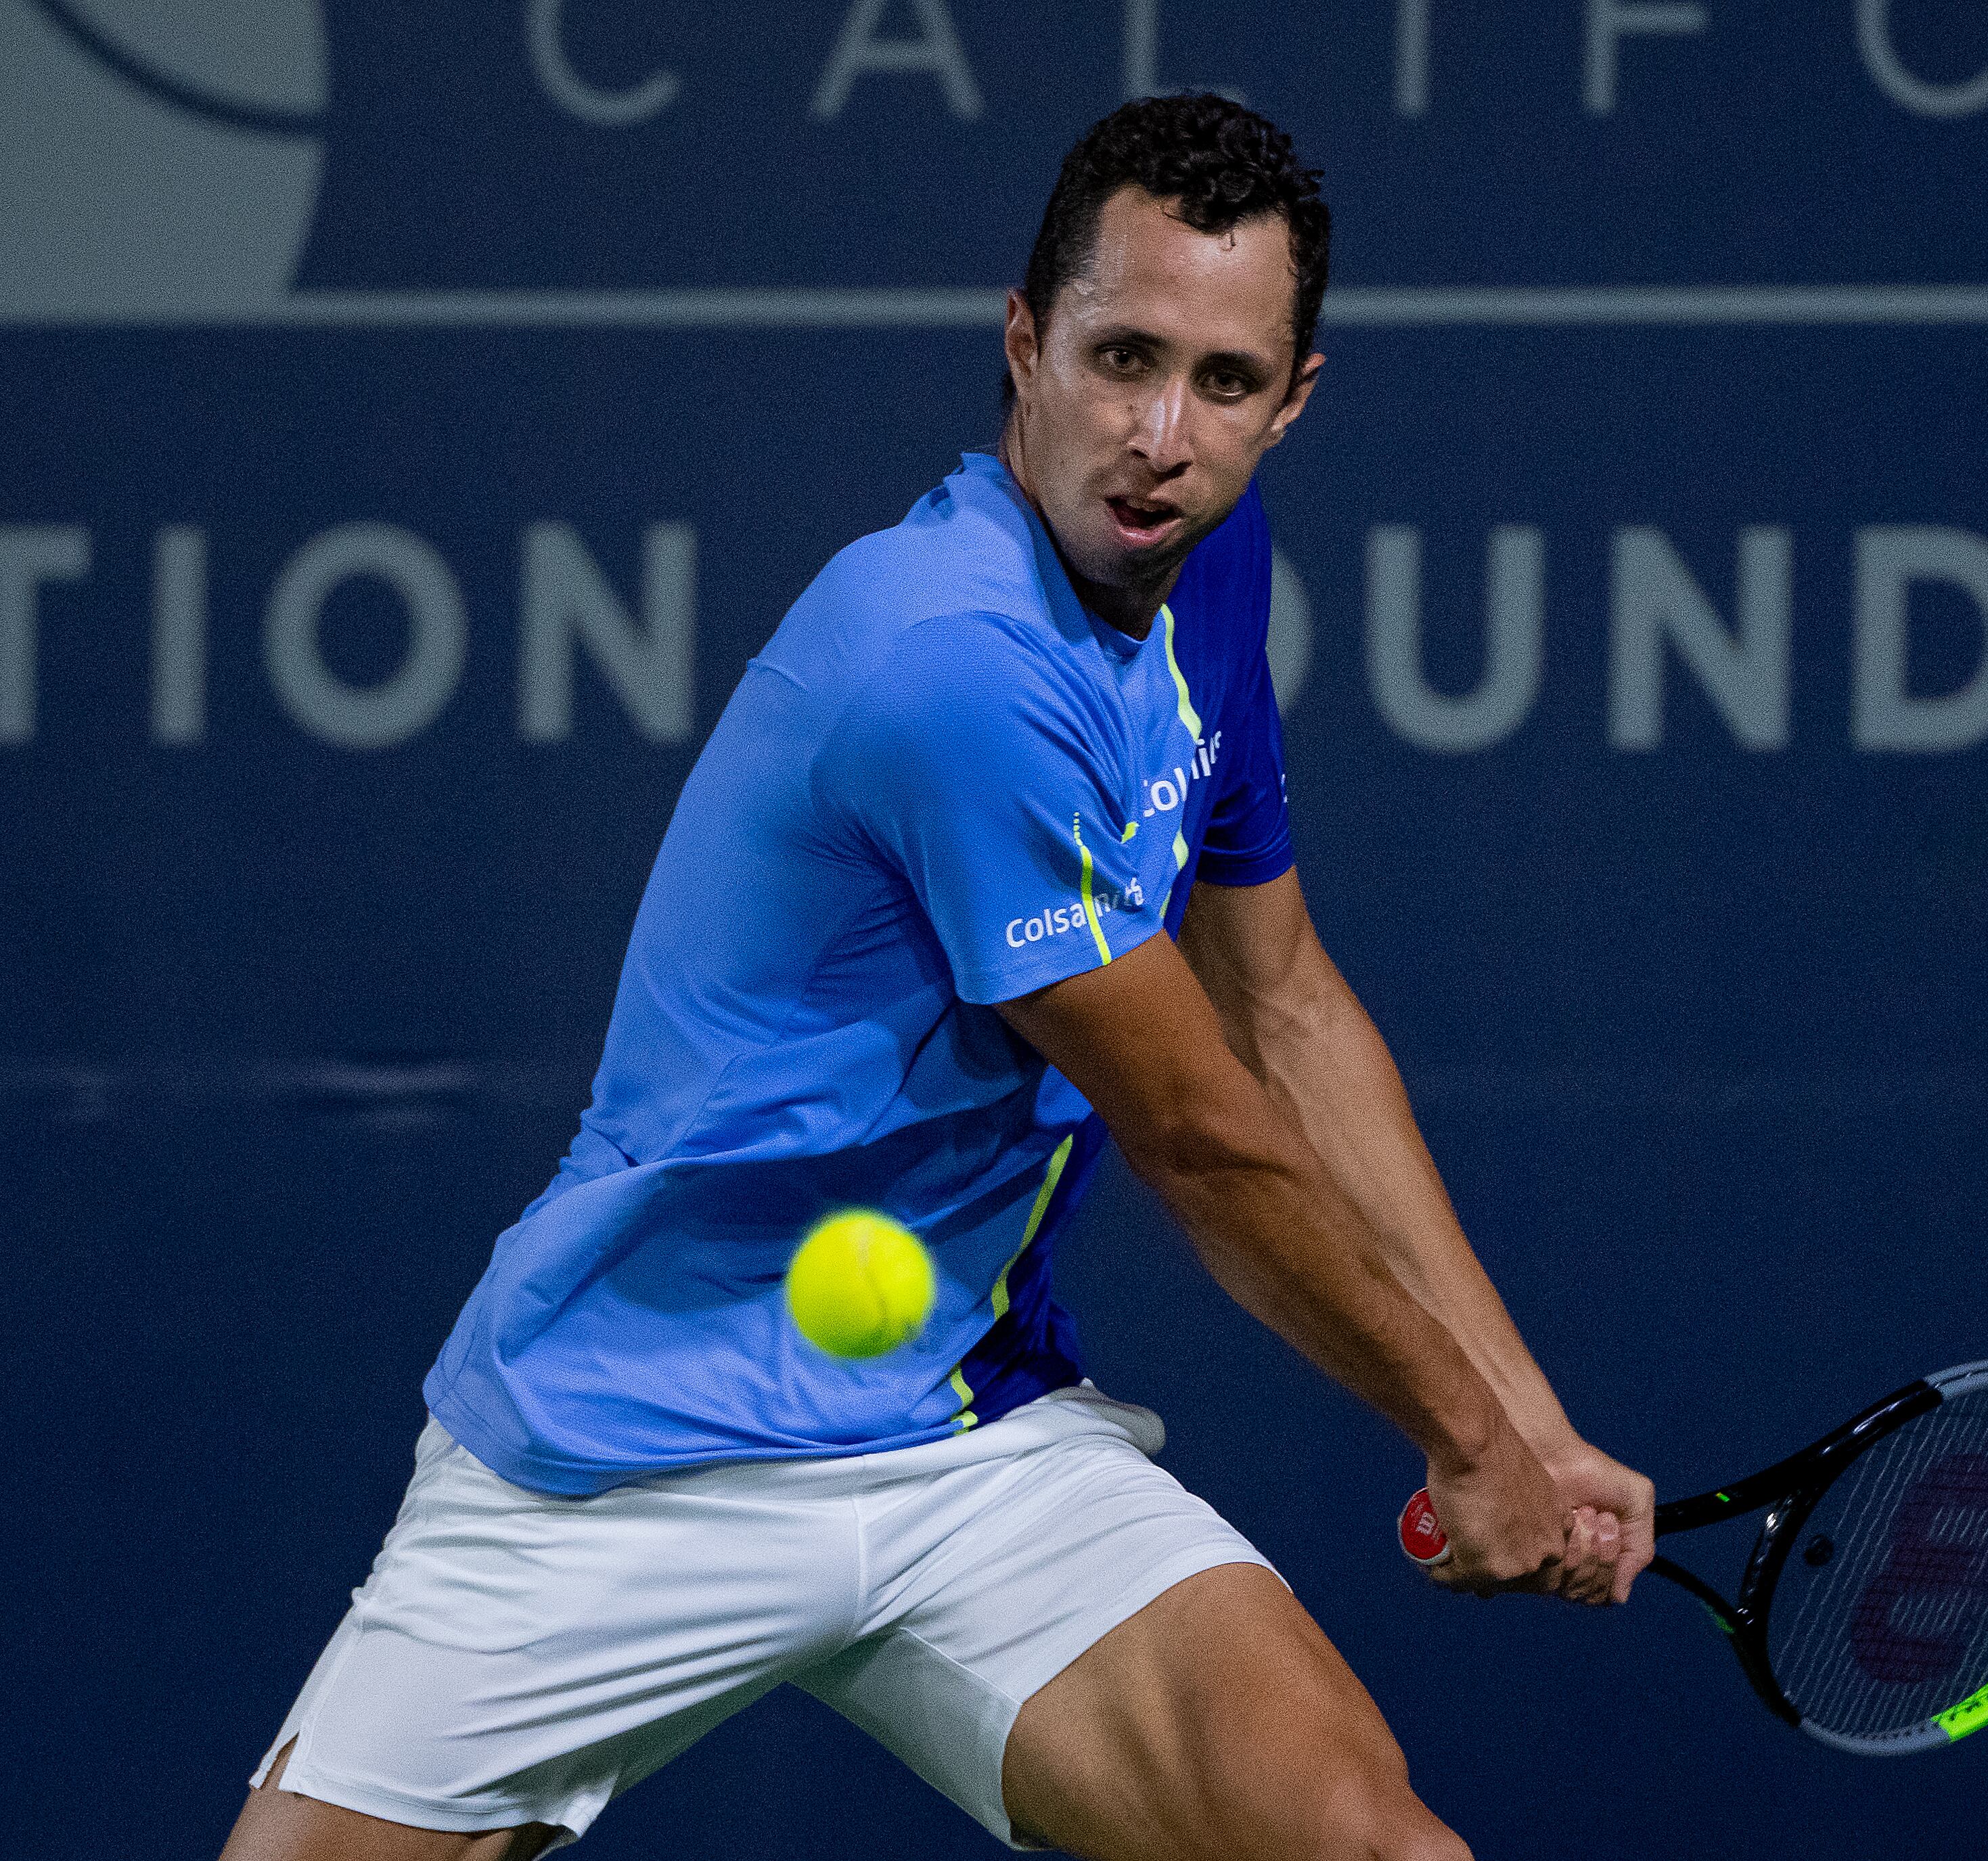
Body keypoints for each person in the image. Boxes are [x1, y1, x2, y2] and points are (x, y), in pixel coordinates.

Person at [221, 93, 1652, 1861]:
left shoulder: (1205, 580)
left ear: (1293, 402)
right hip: (628, 1446)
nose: (1158, 434)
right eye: (1120, 356)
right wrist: (1458, 1431)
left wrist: (1522, 1421)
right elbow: (1203, 1133)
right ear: (1024, 341)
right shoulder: (947, 661)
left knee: (1370, 1851)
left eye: (1222, 382)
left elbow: (1286, 1009)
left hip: (964, 1440)